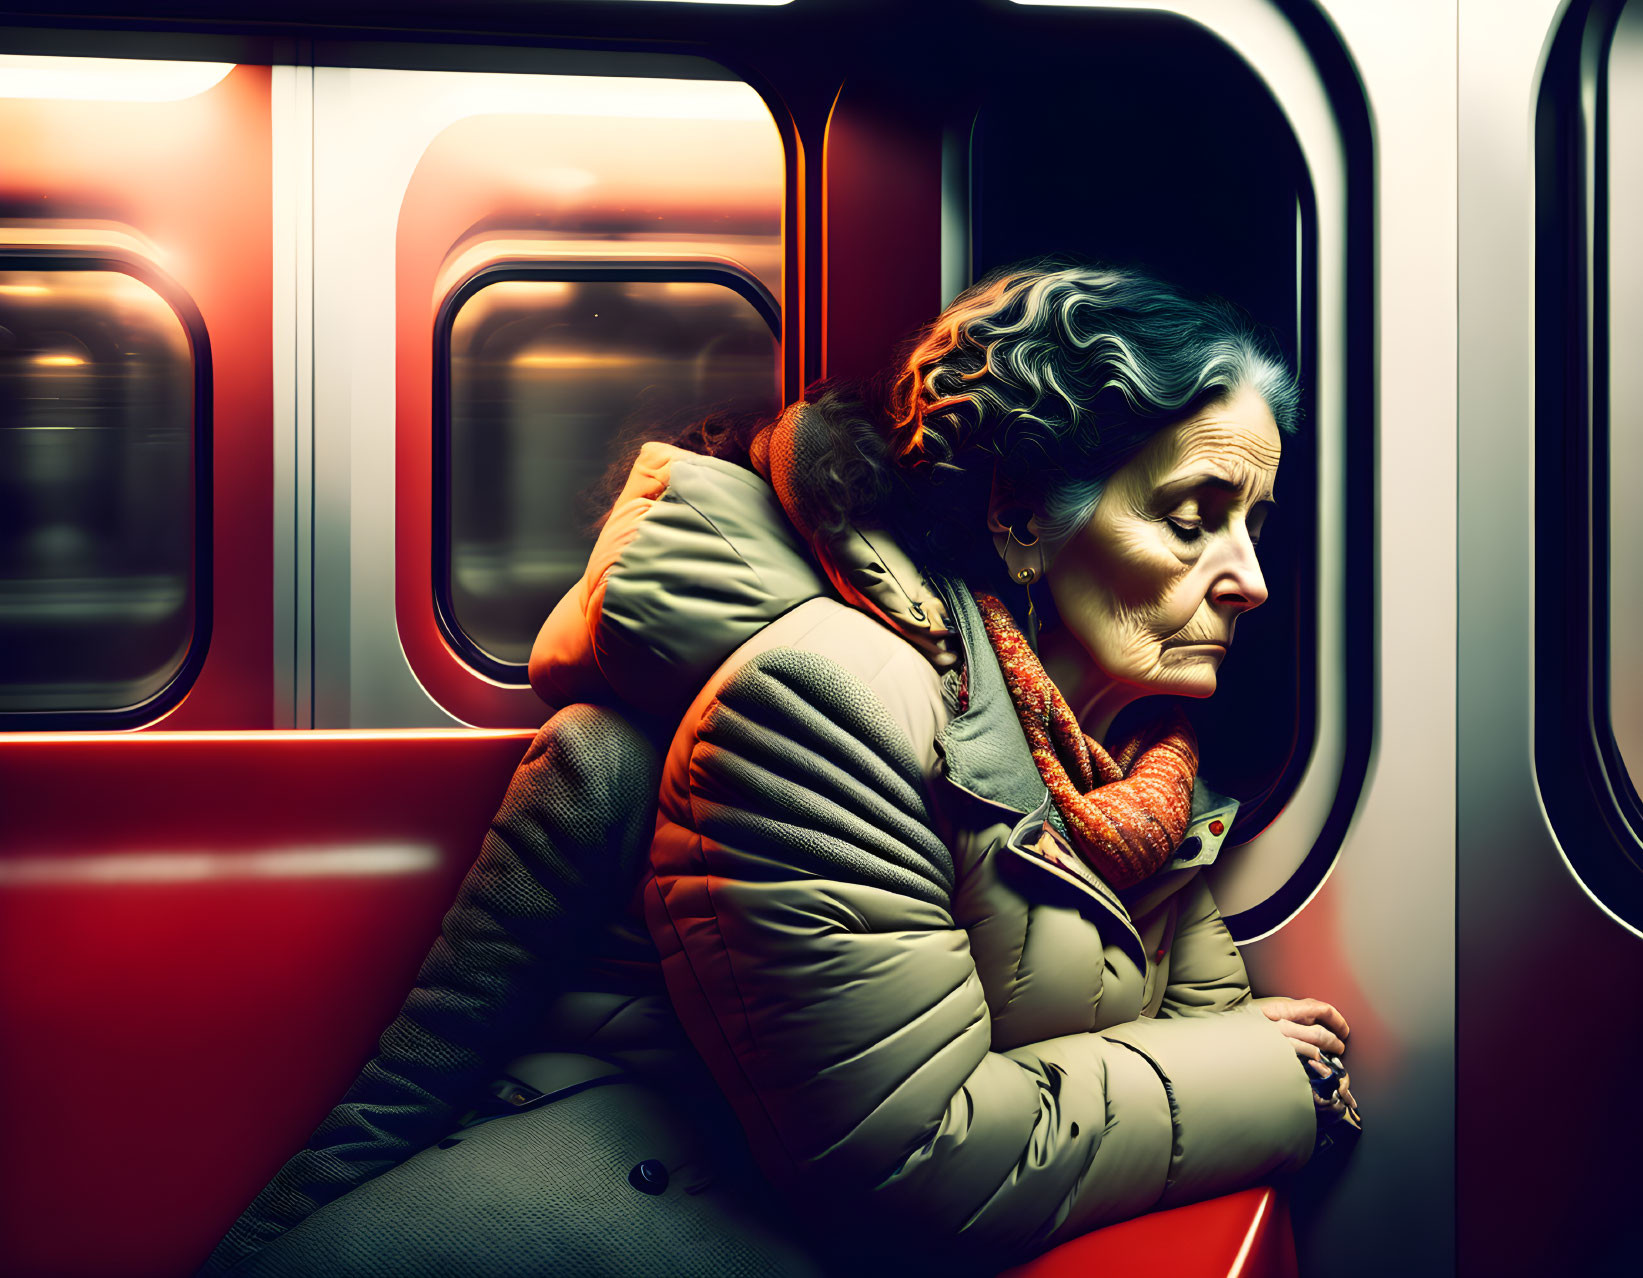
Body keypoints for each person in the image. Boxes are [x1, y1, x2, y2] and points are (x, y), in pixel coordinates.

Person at [201, 259, 1354, 1278]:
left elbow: (1216, 1035)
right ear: (1018, 517)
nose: (1247, 578)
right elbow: (916, 1163)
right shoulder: (827, 699)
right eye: (1195, 517)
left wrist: (1232, 1072)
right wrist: (1256, 1084)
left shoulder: (1130, 780)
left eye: (1253, 521)